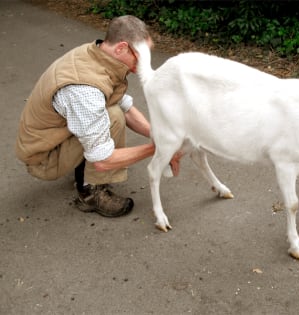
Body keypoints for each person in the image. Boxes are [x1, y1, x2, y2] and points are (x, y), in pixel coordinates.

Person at [15, 15, 181, 218]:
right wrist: (159, 149)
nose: (148, 64)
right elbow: (103, 160)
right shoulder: (86, 90)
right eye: (142, 56)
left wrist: (158, 135)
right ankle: (90, 194)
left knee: (114, 112)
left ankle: (82, 164)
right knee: (114, 118)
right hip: (43, 157)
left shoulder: (95, 54)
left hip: (51, 136)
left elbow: (124, 104)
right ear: (121, 48)